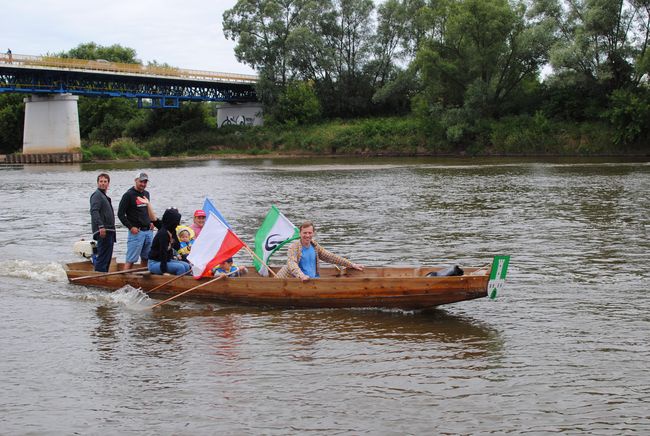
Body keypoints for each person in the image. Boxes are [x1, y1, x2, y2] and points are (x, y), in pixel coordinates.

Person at [276, 221, 364, 282]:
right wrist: (301, 275)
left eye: (310, 233)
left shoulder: (315, 246)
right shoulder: (293, 247)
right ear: (300, 233)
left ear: (313, 233)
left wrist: (352, 264)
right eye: (305, 233)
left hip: (314, 281)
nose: (307, 235)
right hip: (297, 281)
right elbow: (292, 264)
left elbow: (331, 257)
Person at [117, 171, 155, 270]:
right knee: (131, 259)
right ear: (136, 181)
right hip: (136, 232)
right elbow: (120, 214)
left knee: (146, 257)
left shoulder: (146, 194)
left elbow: (147, 211)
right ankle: (126, 279)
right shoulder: (128, 195)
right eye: (141, 182)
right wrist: (130, 227)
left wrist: (151, 222)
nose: (143, 184)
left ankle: (143, 279)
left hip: (148, 231)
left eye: (145, 182)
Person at [148, 208, 191, 276]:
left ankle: (186, 284)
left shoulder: (172, 231)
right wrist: (164, 271)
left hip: (167, 260)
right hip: (155, 263)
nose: (177, 224)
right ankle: (177, 285)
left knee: (187, 266)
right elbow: (163, 253)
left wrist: (174, 239)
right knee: (181, 268)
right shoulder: (163, 234)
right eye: (176, 222)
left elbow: (177, 247)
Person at [89, 173, 116, 272]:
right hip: (103, 231)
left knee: (107, 258)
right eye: (101, 181)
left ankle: (104, 275)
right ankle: (99, 278)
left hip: (109, 231)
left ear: (108, 184)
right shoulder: (97, 195)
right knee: (103, 258)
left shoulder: (104, 196)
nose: (103, 184)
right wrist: (100, 226)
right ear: (97, 183)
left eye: (105, 182)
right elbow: (94, 211)